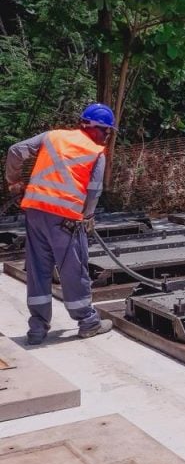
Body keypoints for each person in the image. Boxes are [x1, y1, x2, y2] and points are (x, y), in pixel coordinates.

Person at [4, 104, 117, 345]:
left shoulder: (52, 136)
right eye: (106, 131)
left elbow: (15, 150)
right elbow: (94, 190)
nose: (107, 136)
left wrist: (13, 182)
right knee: (73, 270)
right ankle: (88, 322)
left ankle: (37, 329)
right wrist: (87, 216)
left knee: (38, 270)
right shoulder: (96, 152)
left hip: (35, 213)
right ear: (93, 127)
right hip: (66, 220)